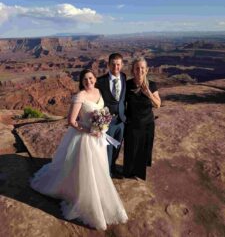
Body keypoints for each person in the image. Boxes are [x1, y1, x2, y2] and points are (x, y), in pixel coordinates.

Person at [30, 69, 128, 230]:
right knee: (86, 169)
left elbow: (103, 111)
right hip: (85, 138)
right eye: (84, 80)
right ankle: (85, 197)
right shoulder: (80, 96)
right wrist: (89, 130)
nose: (88, 81)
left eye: (90, 78)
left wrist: (102, 126)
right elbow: (71, 121)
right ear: (82, 82)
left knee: (99, 167)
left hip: (99, 138)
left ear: (95, 79)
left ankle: (98, 192)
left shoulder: (98, 91)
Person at [123, 57, 161, 180]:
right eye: (137, 68)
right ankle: (128, 172)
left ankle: (139, 173)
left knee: (143, 148)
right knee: (131, 148)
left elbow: (158, 104)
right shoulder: (127, 84)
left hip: (147, 123)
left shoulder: (152, 85)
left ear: (147, 70)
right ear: (133, 70)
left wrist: (148, 92)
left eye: (142, 68)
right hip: (132, 123)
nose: (140, 71)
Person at [97, 53, 126, 177]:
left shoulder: (124, 77)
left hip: (121, 121)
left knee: (117, 148)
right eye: (113, 64)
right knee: (107, 149)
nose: (116, 67)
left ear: (122, 65)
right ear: (108, 65)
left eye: (118, 64)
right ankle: (106, 173)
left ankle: (113, 168)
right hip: (107, 122)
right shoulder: (101, 81)